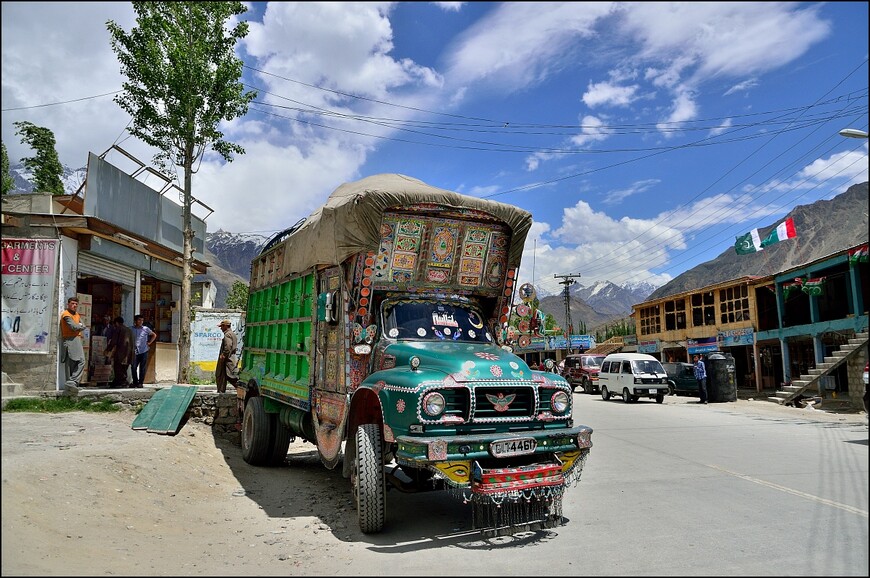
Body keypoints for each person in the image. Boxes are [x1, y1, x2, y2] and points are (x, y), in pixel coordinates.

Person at [59, 296, 87, 393]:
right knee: (71, 362)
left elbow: (83, 325)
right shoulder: (66, 315)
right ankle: (71, 382)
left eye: (76, 304)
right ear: (68, 304)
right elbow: (74, 326)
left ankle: (73, 381)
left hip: (76, 339)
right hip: (70, 339)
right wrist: (79, 326)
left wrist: (79, 326)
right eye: (72, 303)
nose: (74, 305)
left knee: (81, 361)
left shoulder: (77, 315)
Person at [108, 316, 134, 388]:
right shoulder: (129, 330)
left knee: (118, 367)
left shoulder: (118, 329)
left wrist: (108, 349)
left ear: (116, 323)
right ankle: (120, 381)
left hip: (121, 352)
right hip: (129, 353)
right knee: (124, 368)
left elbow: (114, 341)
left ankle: (120, 382)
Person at [131, 314, 157, 388]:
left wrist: (149, 343)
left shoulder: (145, 329)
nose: (141, 322)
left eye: (142, 320)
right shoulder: (131, 329)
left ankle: (140, 382)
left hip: (144, 350)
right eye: (139, 320)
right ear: (135, 321)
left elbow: (154, 335)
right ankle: (135, 382)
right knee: (133, 367)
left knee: (142, 367)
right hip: (134, 351)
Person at [216, 319, 240, 393]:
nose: (221, 328)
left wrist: (223, 355)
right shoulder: (232, 334)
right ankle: (221, 391)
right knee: (224, 376)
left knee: (229, 376)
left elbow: (228, 347)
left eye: (222, 326)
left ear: (226, 326)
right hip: (230, 359)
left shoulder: (227, 334)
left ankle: (241, 389)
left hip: (228, 360)